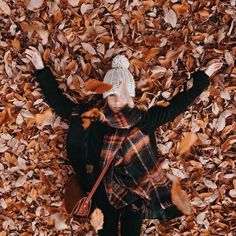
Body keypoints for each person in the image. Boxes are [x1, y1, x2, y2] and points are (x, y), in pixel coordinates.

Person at [25, 46, 222, 236]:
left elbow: (177, 105)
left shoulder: (144, 120)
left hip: (134, 193)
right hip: (103, 192)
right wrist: (41, 69)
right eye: (111, 95)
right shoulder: (93, 118)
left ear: (131, 96)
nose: (117, 101)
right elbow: (60, 103)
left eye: (122, 95)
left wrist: (203, 77)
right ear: (105, 97)